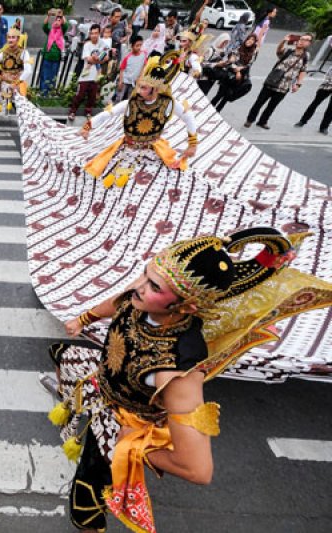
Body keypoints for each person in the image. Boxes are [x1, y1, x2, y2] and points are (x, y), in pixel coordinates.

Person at [49, 226, 332, 533]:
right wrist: (85, 319)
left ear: (187, 306)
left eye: (154, 286)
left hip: (121, 419)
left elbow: (197, 469)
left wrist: (130, 442)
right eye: (145, 274)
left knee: (85, 498)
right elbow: (123, 298)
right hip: (101, 376)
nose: (139, 287)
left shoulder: (178, 372)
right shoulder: (147, 294)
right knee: (61, 354)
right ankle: (74, 403)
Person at [80, 51, 198, 187]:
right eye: (140, 86)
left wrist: (192, 144)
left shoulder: (169, 103)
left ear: (156, 90)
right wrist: (87, 127)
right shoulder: (131, 103)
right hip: (127, 150)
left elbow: (188, 117)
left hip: (154, 152)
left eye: (144, 87)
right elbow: (108, 114)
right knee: (104, 182)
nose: (139, 90)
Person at [245, 33, 311, 130]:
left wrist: (298, 84)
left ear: (309, 43)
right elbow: (278, 51)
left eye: (305, 40)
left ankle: (262, 121)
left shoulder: (306, 56)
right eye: (301, 39)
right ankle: (250, 120)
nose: (302, 41)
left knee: (272, 106)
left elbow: (303, 70)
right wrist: (283, 41)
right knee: (259, 102)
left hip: (284, 86)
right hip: (272, 81)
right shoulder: (289, 51)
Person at [67, 24, 108, 123]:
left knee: (92, 96)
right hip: (85, 74)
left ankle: (88, 112)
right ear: (89, 34)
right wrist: (98, 59)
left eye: (96, 33)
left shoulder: (103, 43)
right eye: (92, 33)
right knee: (79, 95)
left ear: (99, 33)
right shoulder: (87, 45)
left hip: (96, 75)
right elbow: (88, 58)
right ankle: (72, 111)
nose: (94, 35)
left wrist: (97, 59)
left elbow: (106, 57)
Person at [211, 33, 257, 111]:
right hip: (229, 75)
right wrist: (238, 70)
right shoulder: (238, 48)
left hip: (239, 79)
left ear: (254, 42)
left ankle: (216, 113)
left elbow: (249, 65)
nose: (249, 41)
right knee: (219, 94)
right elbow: (231, 61)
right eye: (249, 39)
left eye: (252, 40)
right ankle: (208, 110)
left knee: (226, 98)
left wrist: (241, 70)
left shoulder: (253, 53)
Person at [294, 65, 332, 135]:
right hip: (327, 85)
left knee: (330, 109)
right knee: (314, 104)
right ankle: (303, 121)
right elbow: (329, 74)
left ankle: (324, 127)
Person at [40, 9, 66, 96]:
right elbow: (44, 25)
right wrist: (48, 15)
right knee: (45, 75)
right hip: (47, 57)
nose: (57, 21)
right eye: (56, 20)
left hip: (56, 58)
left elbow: (66, 24)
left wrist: (61, 15)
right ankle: (44, 93)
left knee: (53, 76)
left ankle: (50, 93)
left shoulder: (62, 31)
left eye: (59, 20)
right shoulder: (50, 31)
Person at [116, 35, 146, 102]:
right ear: (131, 46)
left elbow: (144, 66)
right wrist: (121, 81)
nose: (139, 47)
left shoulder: (144, 54)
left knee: (130, 99)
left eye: (140, 45)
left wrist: (140, 77)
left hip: (134, 82)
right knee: (119, 98)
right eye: (137, 45)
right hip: (125, 81)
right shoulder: (127, 57)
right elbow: (122, 70)